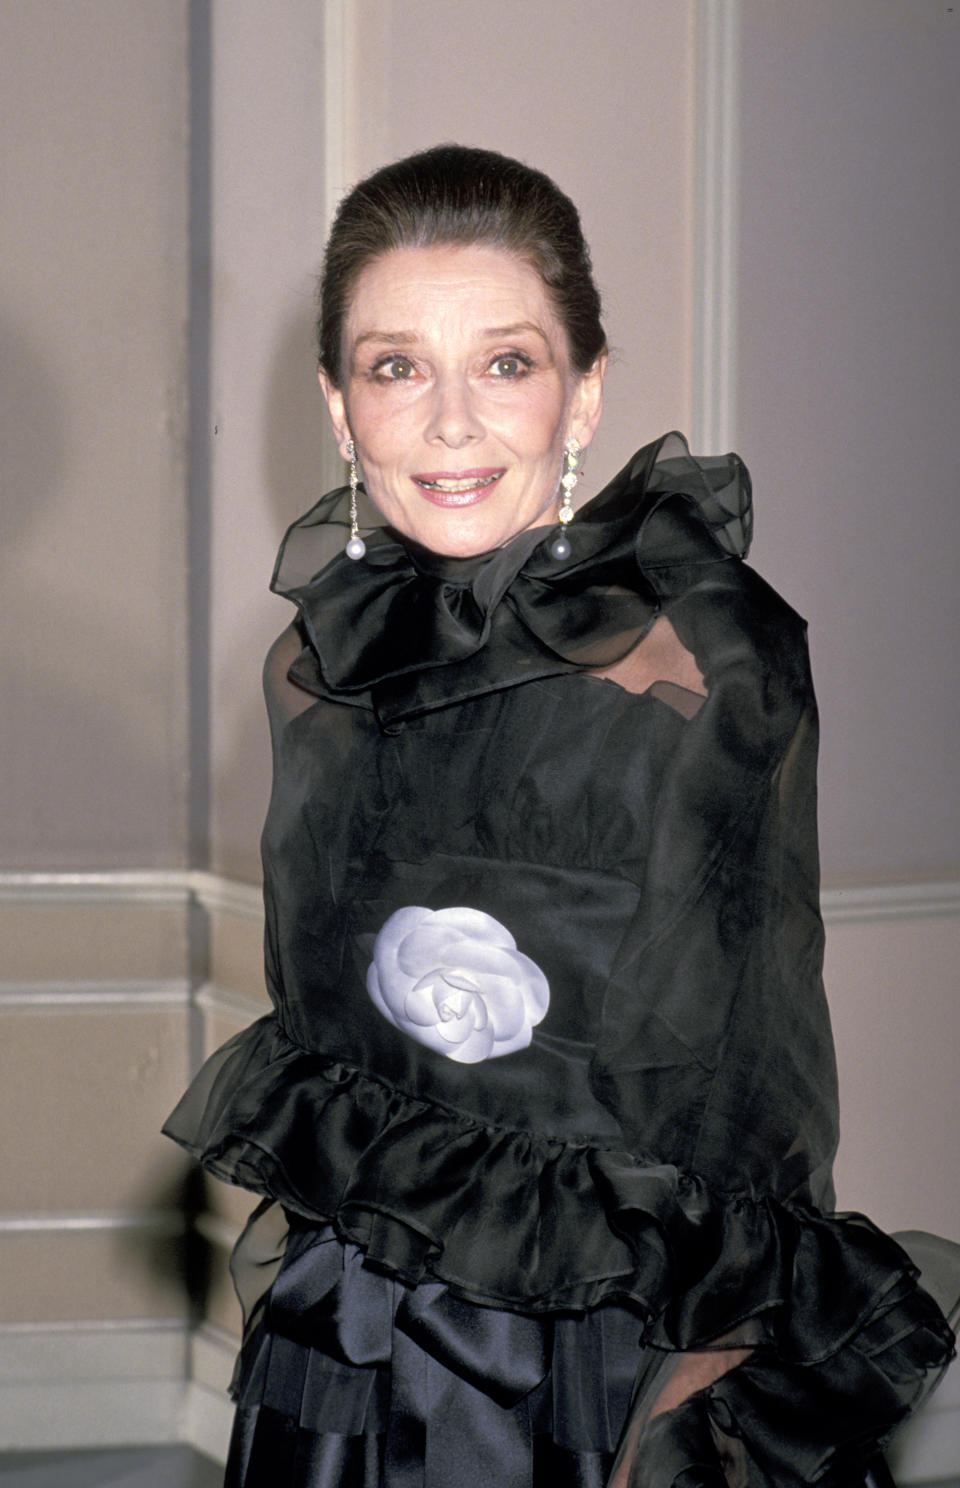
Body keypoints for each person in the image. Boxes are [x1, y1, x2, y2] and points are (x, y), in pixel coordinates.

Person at [164, 145, 954, 1487]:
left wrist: (697, 1382)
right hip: (356, 1296)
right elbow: (325, 1022)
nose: (452, 424)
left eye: (509, 363)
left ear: (584, 394)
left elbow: (749, 1068)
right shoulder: (321, 658)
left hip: (577, 1336)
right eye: (397, 366)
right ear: (341, 411)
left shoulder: (700, 659)